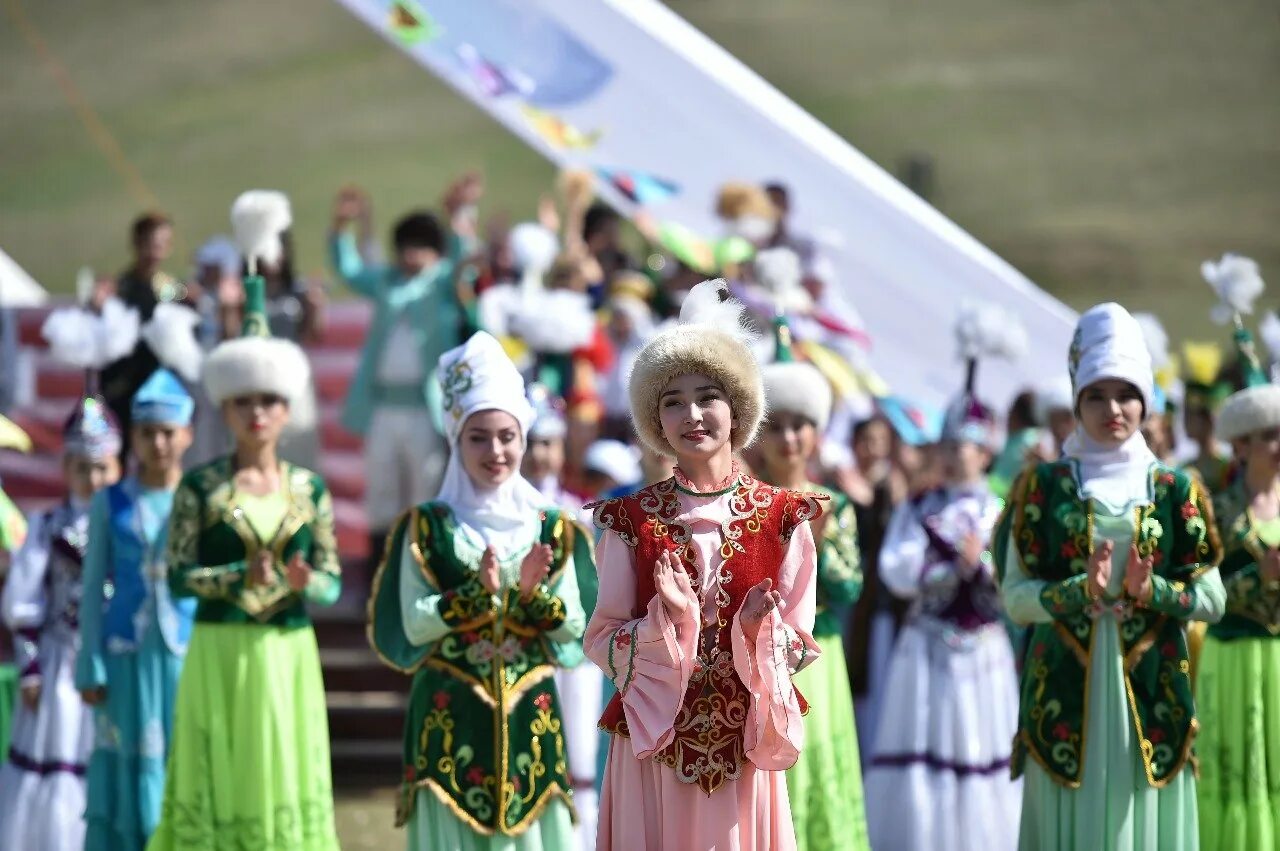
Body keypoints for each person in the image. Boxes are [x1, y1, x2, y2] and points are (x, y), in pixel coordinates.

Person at [585, 279, 823, 850]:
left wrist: (756, 632)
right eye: (672, 401)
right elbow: (600, 640)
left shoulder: (783, 517)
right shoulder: (629, 520)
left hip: (742, 745)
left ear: (736, 407)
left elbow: (799, 644)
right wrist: (662, 626)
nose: (692, 414)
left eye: (707, 396)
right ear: (655, 420)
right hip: (655, 748)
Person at [1001, 303, 1226, 850]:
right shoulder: (1042, 486)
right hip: (1064, 691)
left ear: (1146, 399)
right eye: (1096, 394)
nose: (1113, 409)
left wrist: (1155, 592)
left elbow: (1212, 599)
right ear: (1076, 398)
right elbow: (1015, 598)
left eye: (1126, 393)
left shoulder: (1175, 488)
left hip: (1151, 696)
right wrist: (1082, 591)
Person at [366, 331, 593, 849]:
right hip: (450, 714)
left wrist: (534, 595)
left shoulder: (551, 528)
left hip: (529, 716)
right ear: (456, 440)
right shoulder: (427, 527)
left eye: (508, 436)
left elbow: (577, 627)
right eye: (478, 437)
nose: (496, 451)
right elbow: (413, 619)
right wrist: (473, 596)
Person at [146, 272, 341, 848]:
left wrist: (309, 581)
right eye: (244, 402)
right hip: (219, 651)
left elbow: (329, 582)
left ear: (287, 410)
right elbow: (178, 578)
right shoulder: (200, 487)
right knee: (221, 768)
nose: (257, 412)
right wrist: (237, 577)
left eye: (270, 401)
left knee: (285, 766)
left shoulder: (310, 489)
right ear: (226, 409)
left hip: (287, 652)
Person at [864, 306, 1022, 851]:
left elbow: (1016, 577)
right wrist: (944, 568)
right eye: (949, 446)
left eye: (967, 447)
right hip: (928, 647)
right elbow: (896, 568)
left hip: (981, 651)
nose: (956, 457)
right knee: (924, 744)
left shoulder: (1002, 511)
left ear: (986, 451)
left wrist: (981, 566)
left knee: (981, 746)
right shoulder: (921, 506)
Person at [757, 332, 869, 851]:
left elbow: (850, 586)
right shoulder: (747, 505)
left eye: (800, 425)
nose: (788, 438)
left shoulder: (834, 506)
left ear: (817, 434)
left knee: (817, 757)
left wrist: (815, 552)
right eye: (775, 425)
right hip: (757, 654)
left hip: (818, 656)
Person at [76, 369, 197, 850]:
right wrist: (90, 659)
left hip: (183, 652)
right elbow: (91, 587)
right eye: (148, 433)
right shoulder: (111, 501)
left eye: (168, 432)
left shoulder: (198, 498)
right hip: (124, 651)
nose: (159, 443)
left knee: (183, 756)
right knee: (130, 759)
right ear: (133, 436)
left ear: (187, 435)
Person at [328, 178, 481, 560]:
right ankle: (380, 572)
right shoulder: (385, 282)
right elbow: (347, 270)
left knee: (424, 490)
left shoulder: (442, 281)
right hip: (383, 406)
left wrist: (456, 216)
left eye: (422, 247)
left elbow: (466, 260)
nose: (412, 255)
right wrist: (341, 226)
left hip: (425, 408)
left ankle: (424, 571)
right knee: (380, 490)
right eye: (406, 247)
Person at [0, 396, 122, 850]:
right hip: (59, 669)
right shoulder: (46, 528)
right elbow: (25, 603)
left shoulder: (126, 529)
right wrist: (30, 667)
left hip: (111, 666)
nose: (92, 479)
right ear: (66, 468)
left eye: (102, 468)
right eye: (82, 468)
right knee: (56, 757)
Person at [99, 212, 187, 458]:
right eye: (150, 243)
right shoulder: (118, 288)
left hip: (157, 386)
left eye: (161, 244)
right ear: (136, 244)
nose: (155, 251)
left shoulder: (173, 290)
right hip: (122, 387)